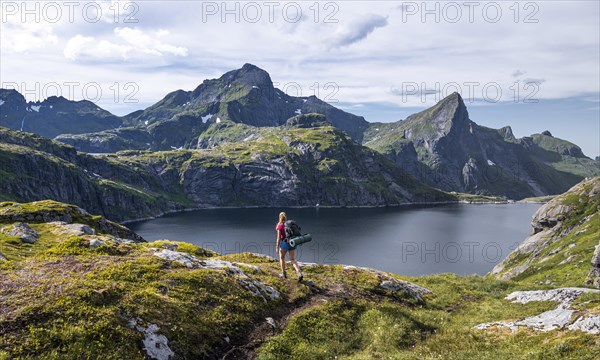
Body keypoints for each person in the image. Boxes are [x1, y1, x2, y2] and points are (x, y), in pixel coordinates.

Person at [275, 211, 303, 281]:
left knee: (282, 258)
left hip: (285, 243)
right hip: (292, 242)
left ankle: (283, 273)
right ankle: (299, 272)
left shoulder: (280, 226)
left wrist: (277, 247)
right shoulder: (288, 224)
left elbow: (278, 238)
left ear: (279, 217)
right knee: (293, 259)